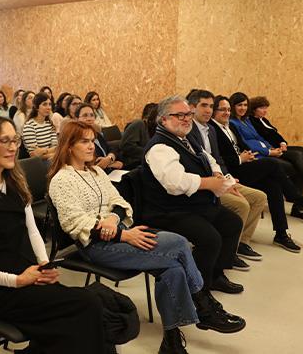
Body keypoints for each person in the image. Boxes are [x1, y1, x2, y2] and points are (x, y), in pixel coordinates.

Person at [49, 121, 244, 353]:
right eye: (85, 141)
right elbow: (74, 223)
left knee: (173, 268)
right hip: (96, 245)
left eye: (93, 141)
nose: (92, 146)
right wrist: (123, 235)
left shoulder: (96, 171)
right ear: (69, 146)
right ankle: (203, 304)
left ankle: (171, 343)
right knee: (180, 243)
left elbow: (119, 202)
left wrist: (113, 219)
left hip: (118, 232)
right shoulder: (61, 180)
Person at [0, 116, 105, 354]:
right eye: (5, 140)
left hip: (24, 273)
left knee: (86, 310)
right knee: (85, 307)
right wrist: (17, 280)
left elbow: (33, 231)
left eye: (15, 140)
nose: (14, 147)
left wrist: (44, 264)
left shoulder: (14, 184)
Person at [138, 95, 246, 296]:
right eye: (179, 115)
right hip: (168, 210)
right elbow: (174, 183)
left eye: (188, 114)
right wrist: (209, 184)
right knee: (210, 239)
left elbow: (209, 158)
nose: (186, 119)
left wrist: (218, 176)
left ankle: (215, 275)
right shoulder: (159, 147)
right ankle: (198, 290)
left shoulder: (186, 138)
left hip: (192, 204)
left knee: (232, 223)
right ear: (163, 120)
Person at [211, 95, 303, 248]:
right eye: (222, 110)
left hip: (245, 163)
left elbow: (244, 143)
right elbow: (220, 158)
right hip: (234, 170)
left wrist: (249, 155)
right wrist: (241, 158)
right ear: (214, 112)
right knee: (272, 164)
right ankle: (298, 199)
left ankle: (281, 233)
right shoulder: (213, 129)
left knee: (274, 185)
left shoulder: (229, 126)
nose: (226, 112)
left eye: (227, 109)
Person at [186, 90, 268, 267]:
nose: (208, 110)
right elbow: (195, 166)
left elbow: (218, 160)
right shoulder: (188, 130)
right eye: (204, 106)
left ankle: (240, 244)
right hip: (205, 185)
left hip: (221, 178)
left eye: (210, 106)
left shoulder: (210, 130)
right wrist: (223, 183)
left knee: (259, 197)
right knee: (241, 204)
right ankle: (228, 254)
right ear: (192, 108)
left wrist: (229, 180)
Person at [228, 93, 303, 219]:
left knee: (298, 160)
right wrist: (269, 152)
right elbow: (245, 144)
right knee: (295, 167)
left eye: (245, 105)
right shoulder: (233, 123)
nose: (242, 108)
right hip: (257, 156)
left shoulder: (245, 120)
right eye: (239, 105)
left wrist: (271, 148)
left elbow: (259, 138)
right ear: (233, 106)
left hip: (265, 151)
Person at [248, 95, 303, 203]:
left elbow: (275, 134)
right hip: (270, 149)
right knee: (297, 156)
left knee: (301, 150)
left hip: (277, 146)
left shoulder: (263, 120)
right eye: (262, 108)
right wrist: (274, 148)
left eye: (266, 108)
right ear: (254, 109)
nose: (265, 110)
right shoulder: (251, 121)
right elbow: (265, 136)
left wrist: (283, 142)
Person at [76, 103, 124, 172]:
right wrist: (111, 164)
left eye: (92, 115)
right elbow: (89, 164)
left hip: (109, 172)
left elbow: (111, 148)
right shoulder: (77, 139)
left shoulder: (97, 134)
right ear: (77, 119)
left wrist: (109, 158)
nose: (89, 119)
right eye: (85, 115)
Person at [120, 102, 158, 169]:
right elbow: (127, 146)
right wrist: (149, 153)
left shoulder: (153, 129)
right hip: (134, 164)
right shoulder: (139, 124)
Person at [22, 92, 58, 160]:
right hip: (38, 165)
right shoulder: (29, 126)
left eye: (50, 104)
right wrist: (54, 154)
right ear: (36, 107)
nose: (48, 107)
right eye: (45, 104)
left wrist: (44, 151)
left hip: (52, 160)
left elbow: (56, 147)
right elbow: (34, 156)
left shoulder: (49, 124)